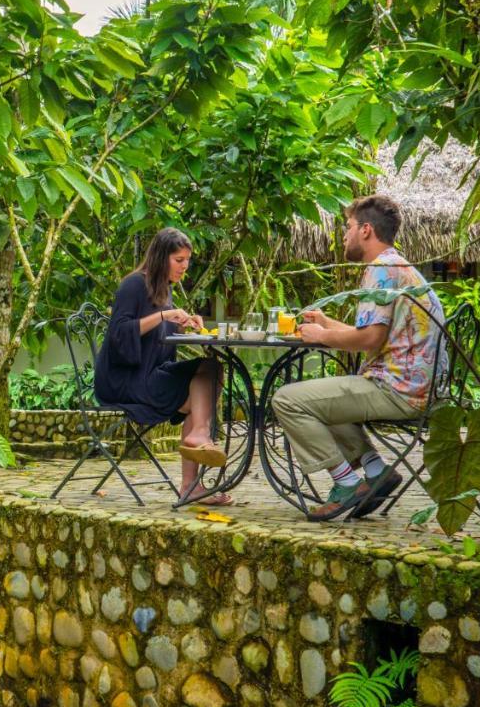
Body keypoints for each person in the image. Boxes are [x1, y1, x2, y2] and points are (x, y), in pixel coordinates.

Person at [272, 195, 446, 521]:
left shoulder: (381, 270)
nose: (344, 235)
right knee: (325, 399)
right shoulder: (399, 266)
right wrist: (327, 324)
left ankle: (347, 483)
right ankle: (376, 470)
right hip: (415, 386)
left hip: (398, 391)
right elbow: (372, 335)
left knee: (287, 400)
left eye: (348, 227)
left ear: (366, 230)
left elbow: (370, 339)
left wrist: (322, 336)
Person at [94, 228, 229, 504]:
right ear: (160, 257)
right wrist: (165, 315)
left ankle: (196, 447)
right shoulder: (133, 285)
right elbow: (119, 334)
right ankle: (195, 465)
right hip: (124, 381)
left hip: (151, 374)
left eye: (187, 260)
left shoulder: (163, 289)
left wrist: (185, 322)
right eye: (179, 260)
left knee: (211, 369)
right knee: (200, 386)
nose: (185, 266)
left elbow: (160, 337)